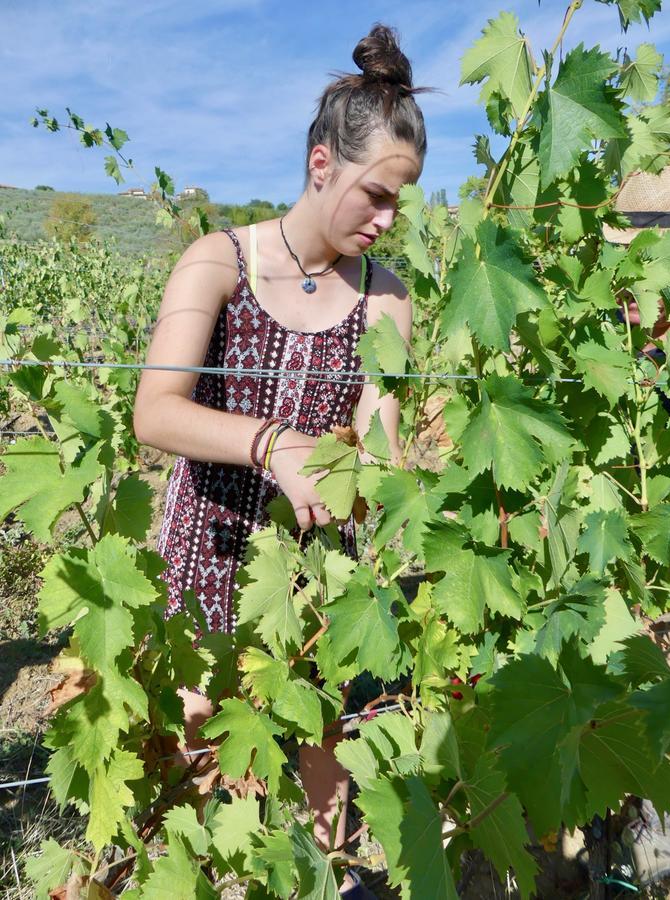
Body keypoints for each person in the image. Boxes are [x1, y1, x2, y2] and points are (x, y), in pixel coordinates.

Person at [133, 22, 427, 896]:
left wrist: (381, 478)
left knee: (321, 819)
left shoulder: (386, 299)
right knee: (193, 803)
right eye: (374, 195)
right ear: (319, 165)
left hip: (316, 584)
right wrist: (275, 444)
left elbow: (381, 450)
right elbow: (155, 411)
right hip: (206, 561)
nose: (385, 220)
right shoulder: (216, 263)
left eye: (398, 205)